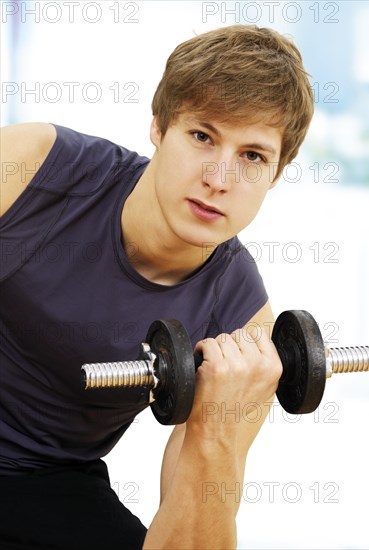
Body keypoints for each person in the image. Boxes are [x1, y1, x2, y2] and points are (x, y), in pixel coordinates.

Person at [0, 24, 314, 549]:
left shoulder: (244, 327)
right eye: (202, 136)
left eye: (253, 157)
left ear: (276, 175)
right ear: (158, 126)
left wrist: (215, 428)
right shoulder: (30, 166)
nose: (219, 177)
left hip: (43, 482)